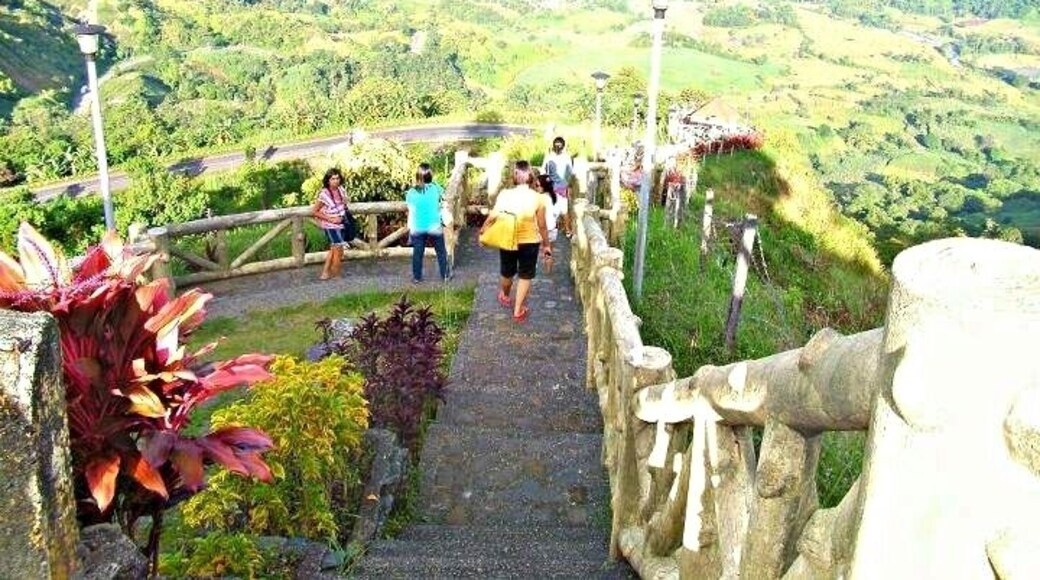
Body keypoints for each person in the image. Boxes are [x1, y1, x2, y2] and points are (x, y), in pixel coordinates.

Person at [480, 160, 552, 323]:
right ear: (531, 177)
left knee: (507, 271)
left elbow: (493, 216)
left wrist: (483, 231)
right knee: (525, 275)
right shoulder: (538, 198)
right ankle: (518, 310)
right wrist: (546, 245)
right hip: (530, 241)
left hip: (508, 238)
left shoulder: (505, 194)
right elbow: (542, 226)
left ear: (514, 176)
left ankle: (505, 295)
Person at [405, 163, 450, 283]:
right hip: (434, 225)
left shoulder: (411, 192)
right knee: (441, 251)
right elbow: (444, 197)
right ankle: (445, 275)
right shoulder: (435, 187)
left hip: (417, 227)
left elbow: (411, 210)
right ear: (430, 175)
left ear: (418, 176)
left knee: (418, 253)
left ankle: (417, 277)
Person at [311, 167, 353, 281]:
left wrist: (345, 203)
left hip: (342, 223)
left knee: (335, 249)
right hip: (331, 226)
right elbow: (314, 211)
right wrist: (330, 219)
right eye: (333, 179)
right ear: (328, 180)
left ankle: (325, 273)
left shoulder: (341, 190)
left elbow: (344, 204)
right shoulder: (324, 194)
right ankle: (336, 275)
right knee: (338, 249)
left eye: (337, 178)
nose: (336, 181)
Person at [542, 136, 574, 237]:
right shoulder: (565, 157)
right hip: (559, 187)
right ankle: (566, 230)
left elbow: (544, 172)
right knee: (562, 209)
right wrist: (568, 186)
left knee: (554, 208)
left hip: (553, 186)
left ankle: (554, 229)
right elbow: (569, 173)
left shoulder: (549, 157)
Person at [535, 173, 559, 273]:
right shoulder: (554, 197)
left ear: (543, 186)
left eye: (537, 185)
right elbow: (557, 213)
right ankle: (548, 271)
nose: (536, 187)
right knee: (549, 251)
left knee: (536, 251)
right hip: (553, 228)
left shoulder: (539, 198)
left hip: (542, 228)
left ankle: (531, 271)